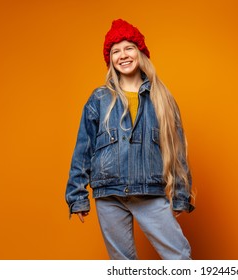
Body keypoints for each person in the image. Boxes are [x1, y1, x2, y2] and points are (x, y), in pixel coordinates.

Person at [65, 19, 195, 260]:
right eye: (115, 51)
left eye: (128, 48)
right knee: (123, 267)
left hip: (149, 192)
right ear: (110, 60)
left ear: (140, 53)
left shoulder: (162, 100)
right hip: (109, 195)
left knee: (180, 259)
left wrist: (180, 194)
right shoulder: (99, 99)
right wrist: (77, 196)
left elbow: (177, 152)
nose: (122, 55)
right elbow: (83, 150)